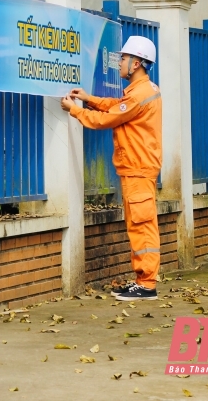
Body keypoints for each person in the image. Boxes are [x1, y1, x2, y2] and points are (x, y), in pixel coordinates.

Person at [60, 36, 162, 301]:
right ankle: (143, 281)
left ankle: (147, 284)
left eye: (124, 58)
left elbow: (107, 119)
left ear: (136, 62)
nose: (120, 63)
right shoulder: (141, 90)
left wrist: (75, 110)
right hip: (137, 168)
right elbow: (117, 108)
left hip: (138, 169)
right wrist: (89, 98)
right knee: (139, 225)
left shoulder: (140, 94)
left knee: (142, 227)